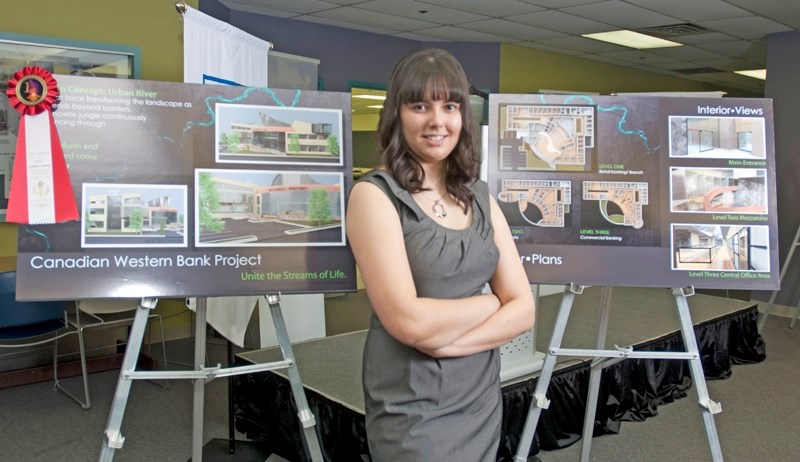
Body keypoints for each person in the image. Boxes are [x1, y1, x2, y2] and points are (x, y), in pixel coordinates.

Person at [345, 48, 536, 461]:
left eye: (450, 106)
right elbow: (408, 322)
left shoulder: (480, 196)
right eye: (420, 106)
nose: (437, 120)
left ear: (463, 117)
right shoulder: (375, 196)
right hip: (412, 405)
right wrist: (489, 302)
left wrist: (448, 346)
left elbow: (523, 310)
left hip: (480, 397)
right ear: (397, 114)